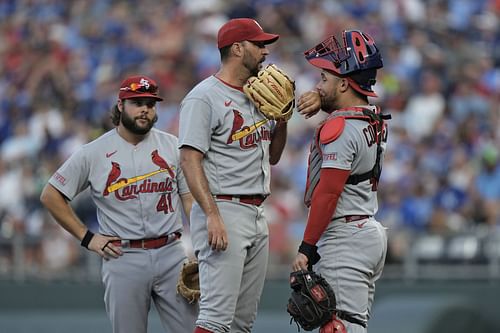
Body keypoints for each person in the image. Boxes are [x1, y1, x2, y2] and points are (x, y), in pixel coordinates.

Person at [39, 75, 198, 333]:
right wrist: (87, 237)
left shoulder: (172, 146)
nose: (145, 109)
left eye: (151, 103)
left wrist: (200, 240)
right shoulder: (93, 152)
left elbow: (189, 198)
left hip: (172, 252)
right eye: (137, 102)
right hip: (124, 257)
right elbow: (51, 194)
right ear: (121, 105)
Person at [178, 18, 288, 333]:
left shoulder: (261, 95)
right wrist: (211, 215)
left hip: (256, 210)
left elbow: (274, 156)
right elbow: (189, 160)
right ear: (237, 48)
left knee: (241, 323)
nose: (266, 51)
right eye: (259, 44)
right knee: (214, 319)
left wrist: (282, 121)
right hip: (223, 208)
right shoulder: (204, 97)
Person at [292, 30, 390, 333]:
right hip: (365, 230)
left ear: (345, 82)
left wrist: (306, 248)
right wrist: (323, 98)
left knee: (338, 328)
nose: (318, 86)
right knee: (352, 325)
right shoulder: (371, 116)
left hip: (344, 237)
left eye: (324, 79)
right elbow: (345, 109)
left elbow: (328, 192)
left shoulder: (339, 126)